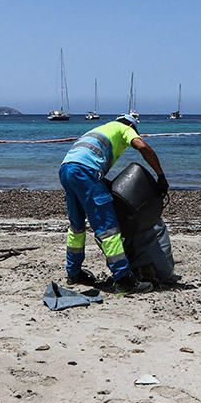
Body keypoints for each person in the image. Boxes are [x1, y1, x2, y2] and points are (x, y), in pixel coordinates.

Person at [59, 114, 168, 294]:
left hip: (67, 169)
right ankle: (123, 279)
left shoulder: (100, 129)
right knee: (107, 227)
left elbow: (85, 159)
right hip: (86, 171)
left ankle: (74, 273)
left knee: (77, 226)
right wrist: (161, 175)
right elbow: (143, 147)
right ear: (131, 127)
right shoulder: (124, 128)